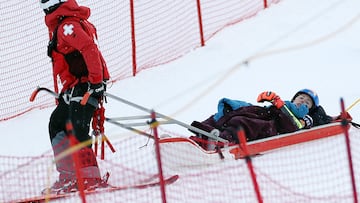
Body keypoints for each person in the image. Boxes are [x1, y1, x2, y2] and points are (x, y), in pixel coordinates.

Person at [40, 0, 110, 194]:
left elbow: (89, 49)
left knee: (77, 126)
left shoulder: (67, 26)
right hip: (75, 87)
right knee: (57, 122)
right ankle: (69, 174)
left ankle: (90, 177)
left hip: (87, 85)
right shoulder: (64, 24)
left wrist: (96, 83)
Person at [190, 89, 346, 149]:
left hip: (272, 124)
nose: (302, 101)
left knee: (244, 123)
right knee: (231, 113)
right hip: (264, 113)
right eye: (301, 97)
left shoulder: (305, 116)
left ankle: (221, 140)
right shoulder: (286, 104)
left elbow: (295, 124)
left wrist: (336, 118)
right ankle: (201, 133)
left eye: (307, 102)